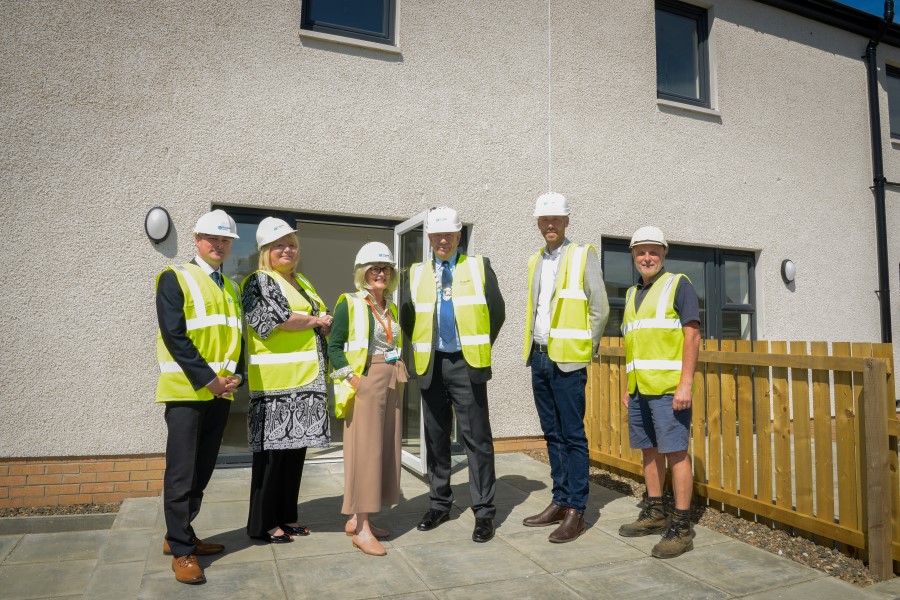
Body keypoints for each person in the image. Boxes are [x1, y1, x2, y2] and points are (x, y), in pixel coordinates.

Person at [399, 206, 506, 543]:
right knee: (436, 438)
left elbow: (497, 313)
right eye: (436, 235)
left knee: (477, 441)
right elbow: (407, 318)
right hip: (432, 365)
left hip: (466, 363)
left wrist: (475, 348)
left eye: (449, 234)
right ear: (429, 238)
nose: (442, 240)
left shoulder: (477, 267)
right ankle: (440, 503)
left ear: (460, 236)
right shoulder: (414, 273)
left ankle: (484, 512)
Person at [155, 209, 244, 585]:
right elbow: (176, 337)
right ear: (196, 239)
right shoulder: (174, 278)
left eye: (225, 240)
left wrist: (236, 376)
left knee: (202, 471)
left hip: (220, 395)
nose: (219, 244)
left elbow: (236, 338)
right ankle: (181, 550)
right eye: (212, 238)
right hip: (188, 393)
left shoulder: (232, 287)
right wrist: (209, 380)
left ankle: (181, 534)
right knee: (181, 474)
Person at [521, 192, 609, 543]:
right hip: (539, 356)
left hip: (568, 359)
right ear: (539, 224)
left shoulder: (582, 255)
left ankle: (576, 509)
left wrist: (584, 350)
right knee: (552, 433)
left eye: (556, 218)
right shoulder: (535, 261)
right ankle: (559, 500)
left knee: (572, 435)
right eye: (544, 219)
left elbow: (599, 310)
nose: (550, 224)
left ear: (567, 221)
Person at [242, 217, 332, 544]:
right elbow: (278, 320)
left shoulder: (301, 281)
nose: (287, 250)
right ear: (266, 250)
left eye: (292, 245)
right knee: (271, 462)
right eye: (279, 245)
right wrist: (316, 320)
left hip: (305, 386)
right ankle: (263, 524)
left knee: (293, 460)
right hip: (275, 390)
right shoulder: (258, 282)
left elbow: (316, 317)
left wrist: (321, 322)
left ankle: (285, 518)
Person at [617, 225, 701, 559]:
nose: (647, 257)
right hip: (640, 390)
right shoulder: (631, 294)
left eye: (653, 251)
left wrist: (686, 384)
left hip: (669, 389)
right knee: (649, 451)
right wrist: (629, 387)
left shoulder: (678, 284)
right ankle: (654, 512)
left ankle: (681, 528)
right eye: (641, 252)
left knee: (676, 453)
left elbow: (692, 336)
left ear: (663, 254)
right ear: (634, 256)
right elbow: (635, 342)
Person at [328, 242, 408, 557]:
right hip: (366, 383)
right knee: (365, 454)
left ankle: (357, 519)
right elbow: (334, 346)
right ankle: (361, 530)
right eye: (374, 268)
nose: (380, 273)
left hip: (390, 380)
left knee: (383, 450)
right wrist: (353, 379)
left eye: (385, 268)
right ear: (363, 272)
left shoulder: (391, 306)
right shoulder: (349, 303)